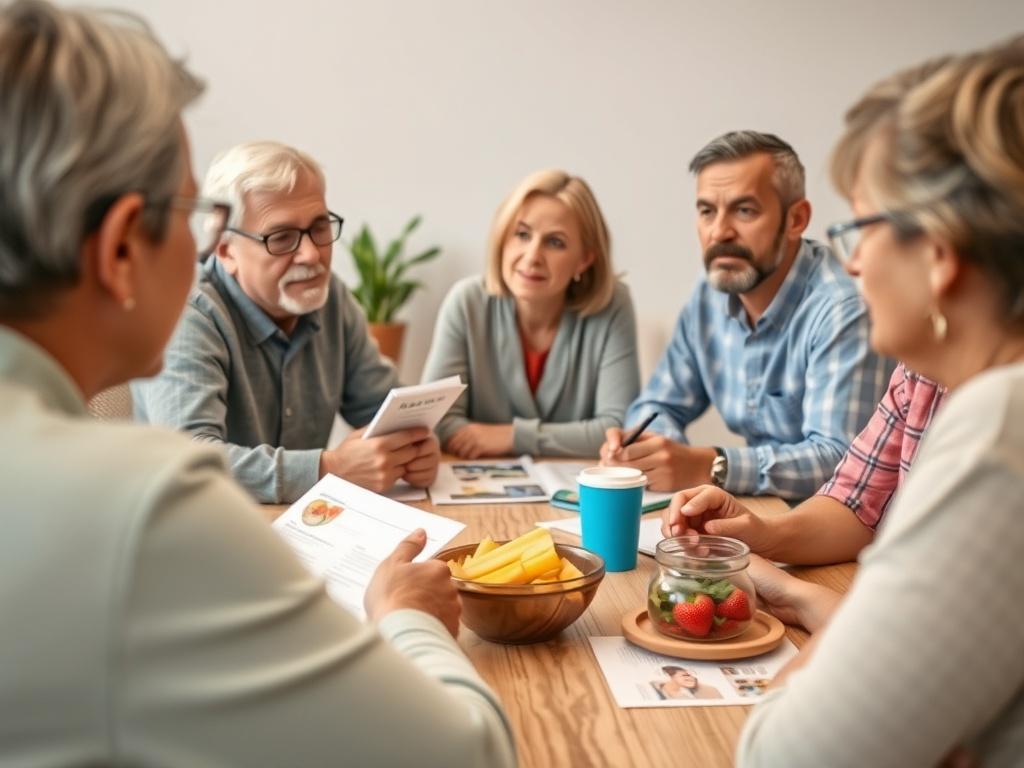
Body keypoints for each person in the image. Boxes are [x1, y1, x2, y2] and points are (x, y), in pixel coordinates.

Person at [0, 3, 515, 765]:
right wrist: (405, 613)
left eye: (318, 230)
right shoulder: (151, 511)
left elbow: (374, 399)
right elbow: (469, 753)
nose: (308, 253)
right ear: (119, 251)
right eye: (193, 215)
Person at [733, 38, 1024, 767]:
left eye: (860, 226)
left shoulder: (1000, 427)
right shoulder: (933, 368)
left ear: (939, 251)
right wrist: (767, 550)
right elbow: (856, 504)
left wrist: (833, 655)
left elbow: (784, 757)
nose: (852, 260)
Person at [132, 140, 440, 503]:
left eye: (320, 227)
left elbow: (383, 407)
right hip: (198, 530)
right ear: (226, 250)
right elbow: (188, 462)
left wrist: (414, 448)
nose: (311, 254)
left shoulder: (331, 299)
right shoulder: (187, 313)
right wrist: (331, 469)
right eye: (281, 238)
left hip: (305, 529)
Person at [601, 131, 892, 498]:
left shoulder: (842, 309)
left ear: (796, 219)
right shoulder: (711, 291)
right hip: (759, 511)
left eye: (744, 210)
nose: (719, 231)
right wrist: (650, 451)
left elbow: (841, 459)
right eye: (707, 211)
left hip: (836, 531)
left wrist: (711, 466)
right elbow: (658, 405)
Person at [421, 169, 640, 458]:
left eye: (555, 242)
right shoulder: (466, 302)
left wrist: (514, 436)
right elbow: (438, 422)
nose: (532, 256)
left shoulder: (613, 304)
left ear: (584, 259)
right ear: (502, 239)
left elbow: (618, 429)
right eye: (522, 234)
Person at [662, 362, 946, 565]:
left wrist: (802, 598)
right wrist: (763, 533)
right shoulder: (917, 373)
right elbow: (853, 503)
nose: (851, 273)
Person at [652, 666, 722, 700]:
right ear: (669, 676)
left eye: (693, 675)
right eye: (685, 675)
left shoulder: (708, 691)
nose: (692, 678)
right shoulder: (653, 687)